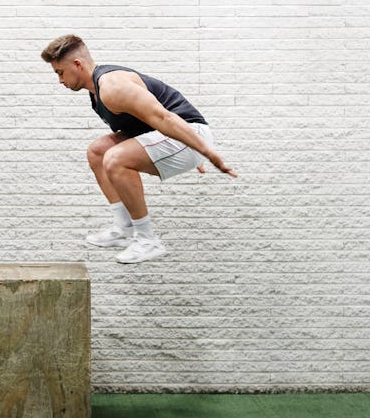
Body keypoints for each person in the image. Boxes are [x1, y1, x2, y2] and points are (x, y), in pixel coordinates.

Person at [41, 34, 238, 264]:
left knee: (115, 158)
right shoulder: (96, 91)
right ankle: (124, 226)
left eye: (60, 73)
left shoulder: (112, 87)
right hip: (174, 136)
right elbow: (145, 123)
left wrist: (208, 153)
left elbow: (163, 117)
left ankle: (147, 239)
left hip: (189, 134)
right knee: (98, 151)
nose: (60, 81)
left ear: (77, 64)